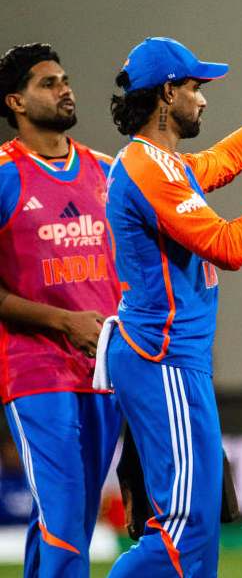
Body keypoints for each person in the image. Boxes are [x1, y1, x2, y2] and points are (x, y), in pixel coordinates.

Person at [102, 22, 242, 577]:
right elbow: (230, 247)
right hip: (162, 360)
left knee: (200, 530)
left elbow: (224, 160)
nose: (203, 98)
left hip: (173, 360)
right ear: (167, 92)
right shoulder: (146, 168)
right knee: (183, 529)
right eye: (195, 87)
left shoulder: (162, 164)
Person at [0, 43, 122, 577]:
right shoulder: (4, 175)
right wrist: (62, 322)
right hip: (35, 370)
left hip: (104, 371)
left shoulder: (107, 171)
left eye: (65, 79)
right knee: (66, 510)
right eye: (48, 83)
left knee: (67, 517)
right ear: (16, 102)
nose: (65, 89)